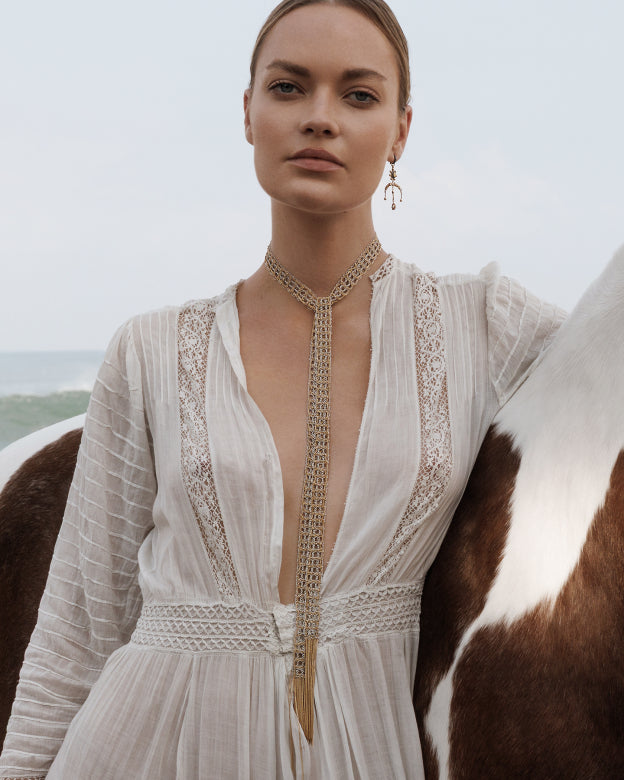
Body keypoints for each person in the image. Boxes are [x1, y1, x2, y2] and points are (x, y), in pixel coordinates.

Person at [0, 1, 565, 777]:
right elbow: (77, 630)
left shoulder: (487, 325)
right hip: (145, 743)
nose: (320, 118)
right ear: (248, 112)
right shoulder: (151, 349)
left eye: (359, 95)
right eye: (289, 88)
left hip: (370, 747)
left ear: (402, 130)